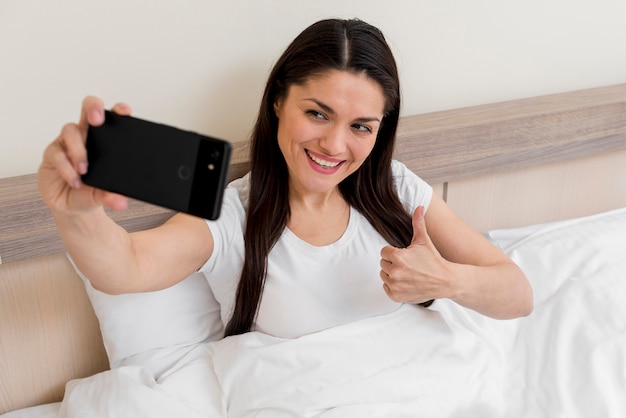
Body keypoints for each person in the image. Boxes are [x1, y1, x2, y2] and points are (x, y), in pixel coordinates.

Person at [39, 18, 532, 339]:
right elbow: (126, 266)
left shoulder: (399, 192)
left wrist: (446, 279)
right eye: (318, 114)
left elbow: (518, 294)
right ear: (278, 102)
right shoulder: (233, 216)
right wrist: (76, 210)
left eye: (361, 126)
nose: (336, 146)